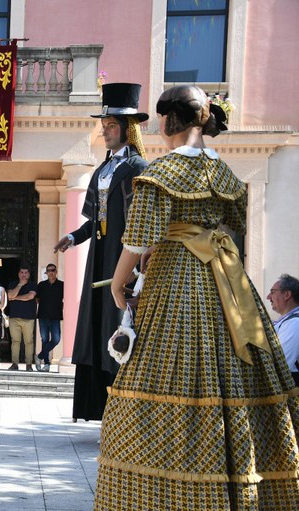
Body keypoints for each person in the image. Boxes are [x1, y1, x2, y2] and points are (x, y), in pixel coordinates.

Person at [94, 85, 299, 509]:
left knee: (167, 372)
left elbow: (137, 240)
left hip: (176, 283)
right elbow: (232, 226)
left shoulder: (162, 173)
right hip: (226, 281)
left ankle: (170, 492)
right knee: (235, 374)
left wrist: (118, 283)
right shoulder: (226, 175)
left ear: (168, 121)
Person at [54, 82, 149, 420]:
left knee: (118, 327)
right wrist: (73, 237)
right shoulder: (102, 170)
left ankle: (124, 414)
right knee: (96, 329)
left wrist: (139, 268)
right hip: (99, 258)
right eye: (104, 125)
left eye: (111, 126)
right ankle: (100, 410)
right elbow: (95, 221)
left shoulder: (139, 169)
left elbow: (144, 223)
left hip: (123, 259)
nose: (105, 131)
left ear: (128, 128)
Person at [268, 273, 299, 385]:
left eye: (272, 292)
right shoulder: (286, 321)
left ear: (287, 295)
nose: (268, 297)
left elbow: (283, 363)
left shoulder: (295, 323)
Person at [6, 266, 37, 371]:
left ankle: (29, 364)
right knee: (15, 341)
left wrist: (16, 297)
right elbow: (10, 296)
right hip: (14, 317)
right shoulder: (13, 284)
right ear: (18, 274)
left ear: (29, 274)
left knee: (28, 341)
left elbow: (30, 296)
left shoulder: (33, 284)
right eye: (22, 272)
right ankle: (15, 364)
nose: (24, 274)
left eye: (26, 272)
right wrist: (20, 285)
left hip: (28, 318)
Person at [35, 264, 63, 372]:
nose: (51, 272)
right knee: (45, 340)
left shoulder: (62, 285)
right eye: (48, 270)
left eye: (53, 270)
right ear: (46, 273)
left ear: (56, 272)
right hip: (43, 316)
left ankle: (39, 356)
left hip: (55, 317)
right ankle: (46, 364)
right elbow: (37, 299)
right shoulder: (41, 285)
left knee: (56, 339)